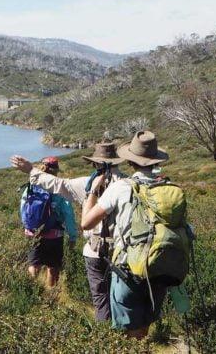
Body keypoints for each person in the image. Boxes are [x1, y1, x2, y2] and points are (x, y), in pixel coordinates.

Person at [11, 143, 126, 319]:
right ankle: (128, 334)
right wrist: (71, 236)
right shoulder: (130, 185)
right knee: (122, 296)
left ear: (96, 163)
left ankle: (106, 333)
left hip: (94, 251)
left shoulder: (86, 184)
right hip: (122, 252)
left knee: (100, 297)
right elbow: (68, 215)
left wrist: (30, 170)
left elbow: (58, 184)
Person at [80, 131, 173, 339]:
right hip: (159, 267)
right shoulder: (168, 188)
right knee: (144, 327)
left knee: (124, 335)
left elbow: (86, 223)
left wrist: (93, 191)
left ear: (131, 162)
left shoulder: (121, 188)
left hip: (128, 270)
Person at [15, 156, 78, 289]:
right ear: (56, 170)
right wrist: (72, 236)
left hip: (34, 233)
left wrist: (28, 226)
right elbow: (68, 214)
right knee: (53, 266)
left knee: (34, 264)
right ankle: (51, 293)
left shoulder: (32, 186)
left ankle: (30, 292)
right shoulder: (59, 188)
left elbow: (23, 207)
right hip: (54, 235)